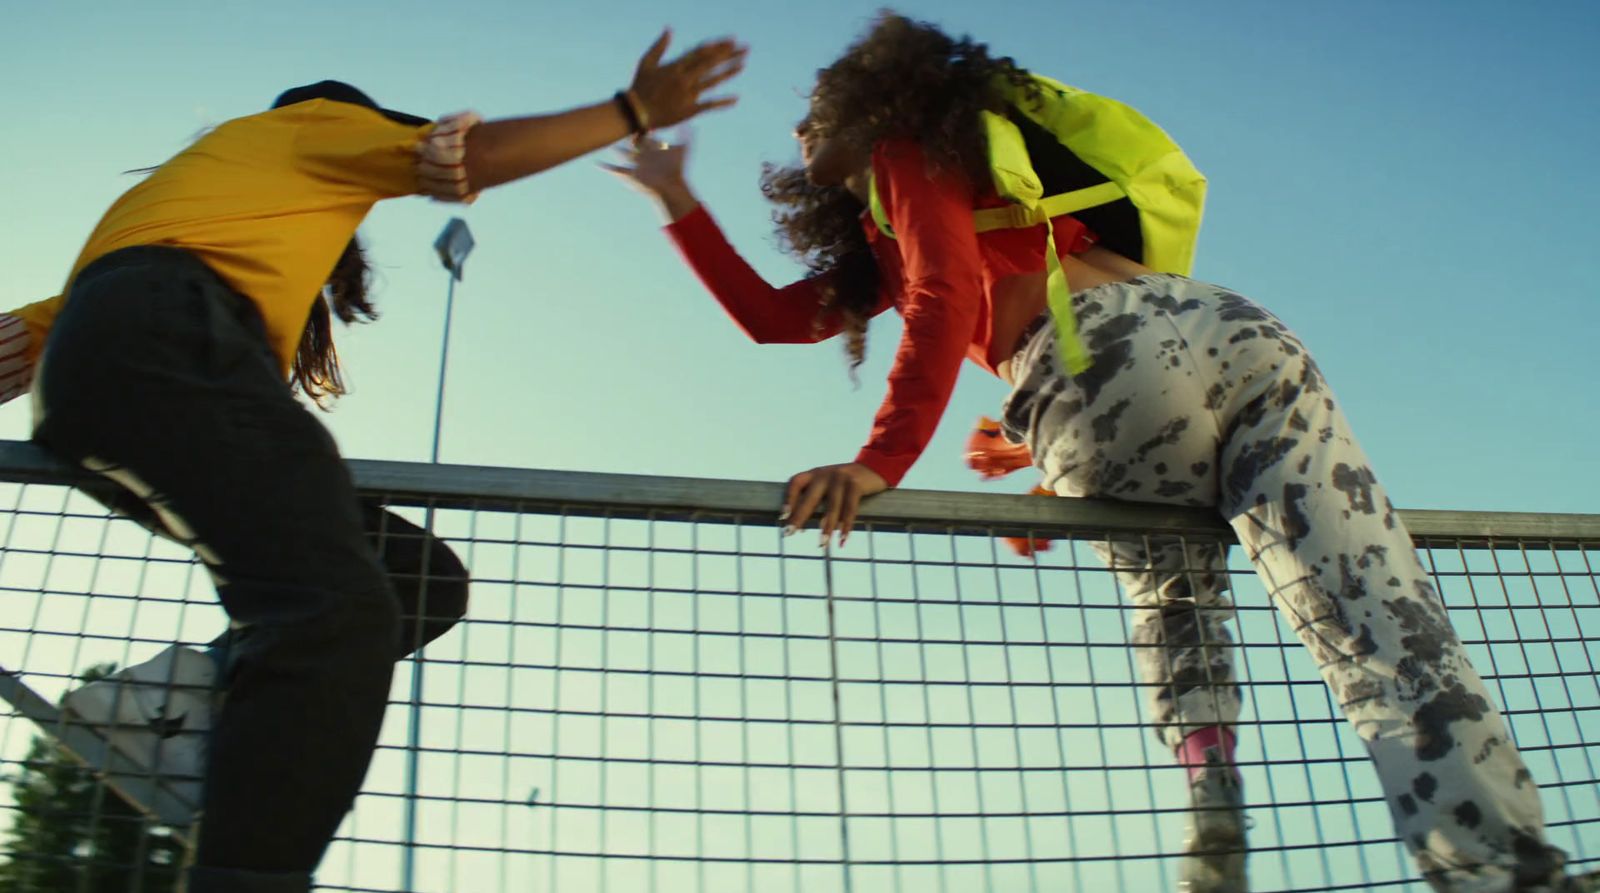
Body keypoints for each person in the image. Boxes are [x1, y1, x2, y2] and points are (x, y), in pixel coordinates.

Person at [606, 12, 1590, 893]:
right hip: (1235, 332)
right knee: (1372, 611)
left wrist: (880, 461)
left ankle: (1212, 806)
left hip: (1101, 361)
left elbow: (946, 292)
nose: (798, 128)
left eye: (817, 110)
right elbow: (781, 316)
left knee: (1172, 595)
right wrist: (674, 198)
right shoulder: (983, 194)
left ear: (874, 107)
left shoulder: (898, 157)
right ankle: (1505, 867)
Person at [5, 28, 745, 892]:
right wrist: (632, 110)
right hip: (172, 347)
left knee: (413, 575)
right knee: (337, 611)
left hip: (111, 378)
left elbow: (28, 339)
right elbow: (461, 160)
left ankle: (171, 708)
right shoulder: (315, 127)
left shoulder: (221, 200)